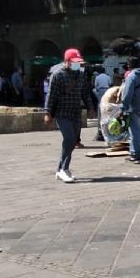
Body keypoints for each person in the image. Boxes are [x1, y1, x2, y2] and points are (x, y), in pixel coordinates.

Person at [44, 48, 95, 183]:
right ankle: (65, 169)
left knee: (72, 142)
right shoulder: (57, 75)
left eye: (79, 62)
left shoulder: (81, 75)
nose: (77, 65)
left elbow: (85, 92)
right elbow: (51, 95)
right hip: (62, 113)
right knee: (69, 139)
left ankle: (60, 169)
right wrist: (48, 113)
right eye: (74, 62)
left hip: (75, 113)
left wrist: (90, 108)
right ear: (67, 61)